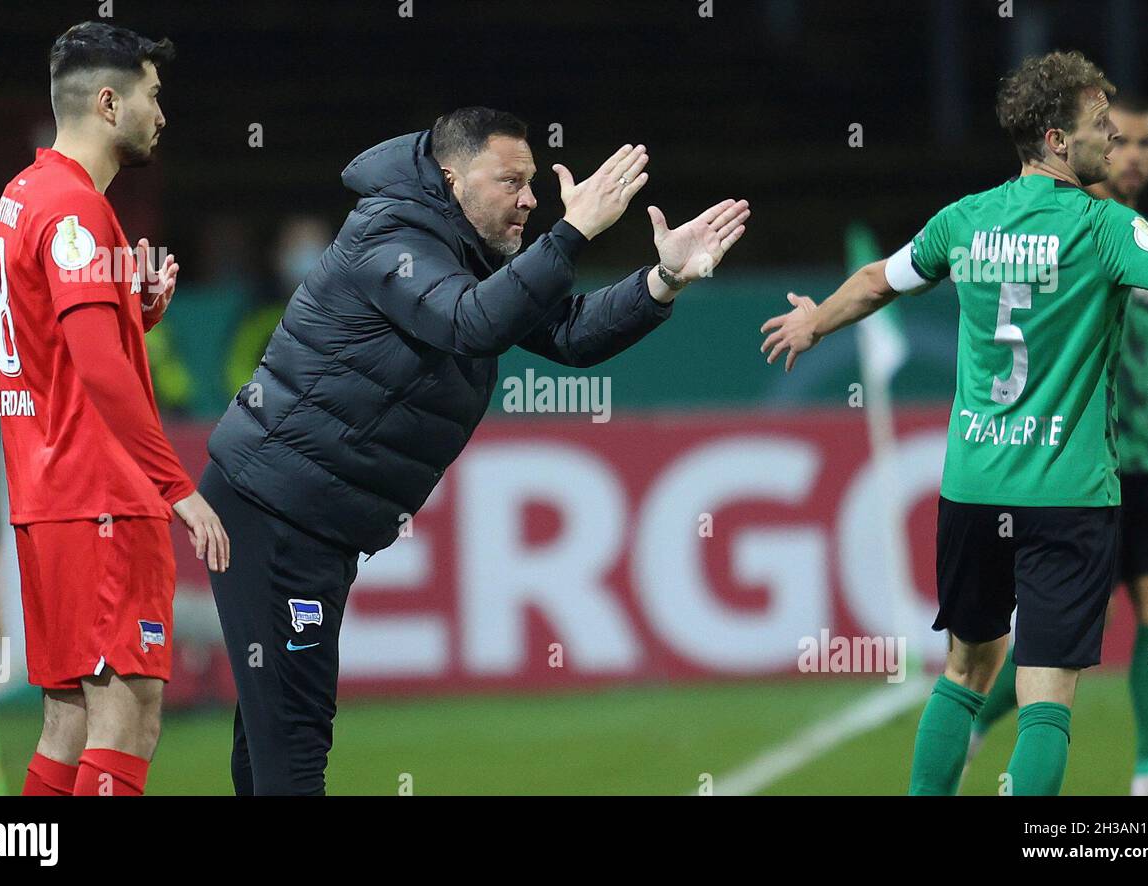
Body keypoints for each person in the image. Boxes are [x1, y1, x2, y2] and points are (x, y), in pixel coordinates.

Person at [201, 106, 749, 794]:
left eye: (532, 184)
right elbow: (471, 322)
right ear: (451, 175)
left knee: (273, 739)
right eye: (510, 181)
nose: (528, 199)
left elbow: (571, 334)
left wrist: (662, 280)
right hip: (272, 509)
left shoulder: (471, 250)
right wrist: (573, 231)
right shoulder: (389, 233)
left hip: (310, 518)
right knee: (294, 742)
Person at [759, 51, 1148, 796]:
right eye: (1100, 126)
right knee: (1046, 700)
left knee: (965, 671)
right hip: (1067, 494)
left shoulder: (964, 220)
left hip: (972, 487)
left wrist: (815, 325)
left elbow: (877, 280)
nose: (1115, 141)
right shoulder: (1104, 227)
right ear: (1058, 140)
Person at [0, 22, 229, 797]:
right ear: (109, 100)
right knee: (127, 719)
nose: (164, 114)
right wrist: (177, 488)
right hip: (100, 502)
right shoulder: (77, 211)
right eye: (155, 96)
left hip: (44, 498)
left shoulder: (23, 196)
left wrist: (134, 311)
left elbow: (56, 342)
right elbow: (99, 374)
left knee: (68, 723)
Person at [968, 95, 1148, 796]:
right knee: (1062, 632)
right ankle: (976, 720)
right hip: (1079, 462)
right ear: (1085, 146)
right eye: (1120, 140)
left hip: (1146, 458)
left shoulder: (1136, 229)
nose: (1136, 154)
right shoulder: (1079, 226)